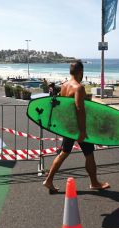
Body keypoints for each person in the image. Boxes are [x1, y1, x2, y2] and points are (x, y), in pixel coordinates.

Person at [43, 60, 110, 194]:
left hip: (68, 127)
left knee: (64, 153)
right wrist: (83, 131)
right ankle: (94, 183)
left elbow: (64, 107)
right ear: (81, 72)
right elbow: (79, 108)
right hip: (78, 128)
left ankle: (49, 180)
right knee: (89, 154)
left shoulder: (63, 86)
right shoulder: (78, 87)